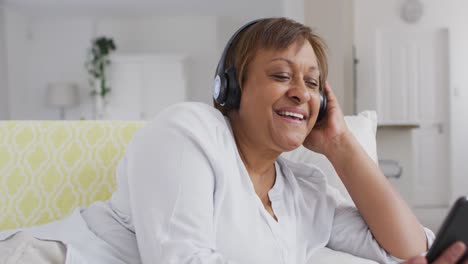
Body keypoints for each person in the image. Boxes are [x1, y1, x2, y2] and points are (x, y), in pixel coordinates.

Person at [0, 17, 466, 264]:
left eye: (312, 83)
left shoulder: (302, 193)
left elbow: (406, 248)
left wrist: (340, 142)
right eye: (282, 75)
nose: (300, 92)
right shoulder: (187, 133)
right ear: (232, 88)